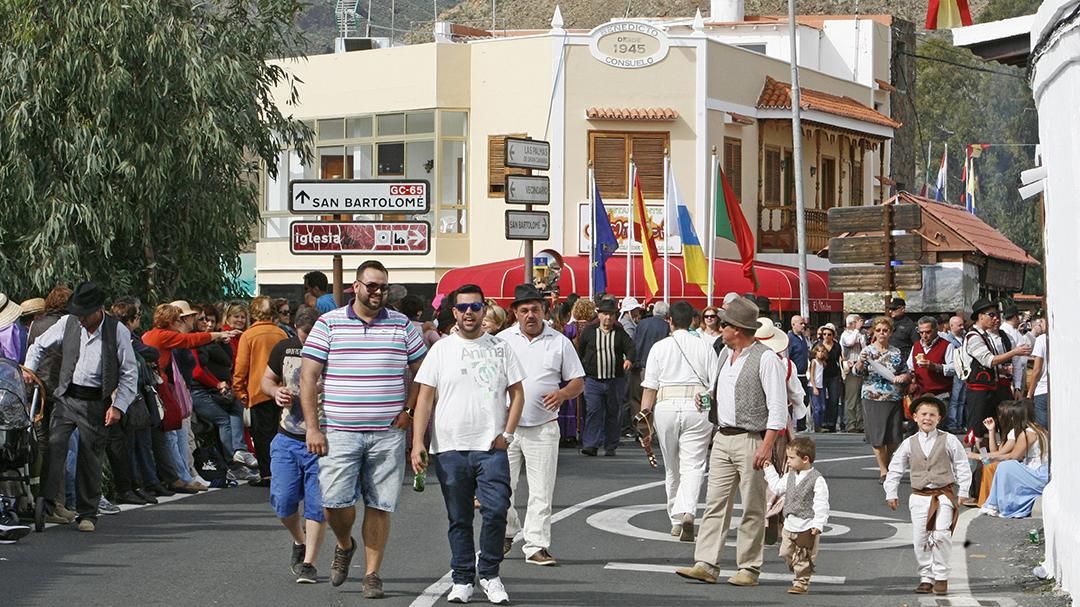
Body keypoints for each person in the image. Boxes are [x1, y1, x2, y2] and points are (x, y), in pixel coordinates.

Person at [300, 260, 427, 598]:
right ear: (355, 287)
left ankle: (372, 574)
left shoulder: (403, 326)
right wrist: (312, 427)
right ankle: (345, 544)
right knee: (334, 503)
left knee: (380, 504)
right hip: (339, 431)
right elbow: (308, 378)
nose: (377, 292)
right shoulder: (329, 324)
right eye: (371, 285)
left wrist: (409, 411)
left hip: (387, 432)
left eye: (383, 287)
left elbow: (423, 373)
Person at [410, 284, 525, 605]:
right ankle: (462, 578)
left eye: (475, 307)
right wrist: (418, 441)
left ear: (484, 308)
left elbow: (517, 393)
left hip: (492, 447)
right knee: (459, 517)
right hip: (449, 448)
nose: (469, 313)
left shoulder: (501, 348)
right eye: (463, 308)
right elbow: (425, 399)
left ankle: (489, 573)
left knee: (497, 510)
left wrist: (509, 433)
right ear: (454, 312)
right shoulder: (441, 350)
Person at [675, 296, 789, 587]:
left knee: (752, 506)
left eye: (724, 324)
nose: (718, 328)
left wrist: (766, 446)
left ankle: (749, 567)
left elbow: (777, 409)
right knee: (715, 503)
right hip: (723, 436)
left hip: (751, 438)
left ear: (737, 329)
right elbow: (718, 391)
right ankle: (706, 563)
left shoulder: (766, 359)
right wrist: (707, 400)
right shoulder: (725, 355)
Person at [23, 282, 139, 532]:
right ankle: (47, 502)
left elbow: (130, 372)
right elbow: (38, 345)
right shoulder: (68, 323)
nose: (81, 319)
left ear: (99, 310)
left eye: (85, 313)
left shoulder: (117, 331)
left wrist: (118, 406)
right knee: (55, 446)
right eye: (78, 313)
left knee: (90, 456)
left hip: (95, 401)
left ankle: (87, 513)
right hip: (66, 396)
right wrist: (30, 369)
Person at [497, 284, 585, 565]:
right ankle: (508, 529)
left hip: (544, 426)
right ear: (515, 313)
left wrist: (562, 394)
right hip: (506, 427)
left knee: (541, 490)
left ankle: (536, 545)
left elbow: (577, 382)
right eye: (524, 310)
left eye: (535, 309)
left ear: (544, 311)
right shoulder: (501, 341)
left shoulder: (559, 341)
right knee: (501, 488)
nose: (530, 315)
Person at [639, 301, 718, 542]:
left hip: (666, 406)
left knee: (672, 466)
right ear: (694, 321)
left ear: (669, 321)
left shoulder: (660, 347)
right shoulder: (705, 346)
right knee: (693, 465)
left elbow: (650, 388)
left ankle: (675, 517)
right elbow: (714, 384)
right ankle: (688, 511)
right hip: (697, 405)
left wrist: (644, 419)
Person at [260, 306, 326, 583]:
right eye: (304, 333)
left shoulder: (331, 349)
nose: (308, 338)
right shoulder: (284, 348)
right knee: (283, 500)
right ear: (295, 329)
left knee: (317, 504)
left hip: (323, 438)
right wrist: (276, 391)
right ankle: (299, 541)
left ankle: (309, 562)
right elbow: (266, 380)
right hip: (287, 436)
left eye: (313, 333)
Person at [884, 396, 972, 596]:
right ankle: (926, 576)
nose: (927, 418)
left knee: (941, 535)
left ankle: (941, 575)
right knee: (920, 538)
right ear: (915, 417)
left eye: (932, 415)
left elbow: (961, 465)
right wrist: (891, 491)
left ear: (939, 418)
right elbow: (895, 468)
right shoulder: (909, 443)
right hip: (919, 496)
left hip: (943, 496)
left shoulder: (948, 440)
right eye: (923, 414)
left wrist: (964, 490)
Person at [763, 437, 829, 595]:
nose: (789, 461)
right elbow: (777, 488)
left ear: (805, 459)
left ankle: (801, 581)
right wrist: (769, 469)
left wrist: (818, 524)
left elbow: (821, 503)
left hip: (807, 525)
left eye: (792, 458)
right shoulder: (789, 476)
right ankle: (800, 568)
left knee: (803, 555)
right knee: (785, 552)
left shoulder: (817, 480)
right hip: (789, 524)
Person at [233, 297, 288, 486]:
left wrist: (239, 391)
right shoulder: (281, 333)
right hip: (280, 390)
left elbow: (241, 366)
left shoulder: (248, 335)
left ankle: (267, 474)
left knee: (261, 436)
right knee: (278, 433)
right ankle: (281, 472)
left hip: (257, 391)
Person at [962, 299, 1030, 441]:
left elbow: (996, 364)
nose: (996, 318)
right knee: (978, 432)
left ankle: (999, 458)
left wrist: (1008, 377)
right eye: (991, 315)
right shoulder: (973, 337)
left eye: (997, 315)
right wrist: (1014, 352)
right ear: (980, 316)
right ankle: (978, 461)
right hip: (979, 392)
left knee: (1006, 424)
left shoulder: (992, 336)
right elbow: (989, 360)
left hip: (994, 389)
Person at [854, 316, 911, 482]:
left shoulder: (896, 352)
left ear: (891, 332)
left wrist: (903, 377)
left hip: (893, 396)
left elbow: (907, 372)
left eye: (885, 330)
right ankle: (883, 470)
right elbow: (857, 373)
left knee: (893, 438)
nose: (881, 334)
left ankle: (887, 463)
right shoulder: (867, 351)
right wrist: (859, 364)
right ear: (874, 332)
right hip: (872, 396)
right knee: (877, 436)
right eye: (878, 330)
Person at [577, 298, 635, 457]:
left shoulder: (619, 332)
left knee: (613, 412)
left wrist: (629, 359)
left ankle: (610, 445)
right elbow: (580, 350)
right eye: (605, 314)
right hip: (593, 379)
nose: (608, 318)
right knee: (593, 411)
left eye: (611, 315)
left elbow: (630, 347)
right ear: (599, 315)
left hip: (615, 379)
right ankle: (591, 444)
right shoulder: (589, 331)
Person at [980, 400, 1049, 518]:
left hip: (1037, 473)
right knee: (1002, 466)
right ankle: (995, 503)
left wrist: (982, 457)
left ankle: (1001, 504)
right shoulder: (1040, 430)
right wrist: (991, 431)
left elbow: (1013, 457)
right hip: (1042, 471)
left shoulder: (1026, 434)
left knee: (1004, 467)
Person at [627, 301, 670, 437]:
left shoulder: (642, 324)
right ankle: (653, 429)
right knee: (656, 400)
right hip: (659, 368)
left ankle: (640, 429)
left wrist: (633, 361)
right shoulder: (666, 327)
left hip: (640, 365)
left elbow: (634, 344)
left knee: (636, 399)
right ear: (666, 314)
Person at [908, 316, 953, 405]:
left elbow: (954, 368)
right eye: (921, 332)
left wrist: (935, 367)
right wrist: (911, 381)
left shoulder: (947, 345)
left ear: (936, 330)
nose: (924, 335)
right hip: (920, 394)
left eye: (928, 332)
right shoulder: (916, 346)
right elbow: (910, 367)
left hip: (940, 395)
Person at [942, 316, 968, 433]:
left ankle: (959, 423)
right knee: (955, 399)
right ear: (951, 326)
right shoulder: (948, 340)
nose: (962, 327)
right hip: (955, 373)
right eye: (959, 325)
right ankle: (952, 424)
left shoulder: (964, 338)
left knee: (962, 400)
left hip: (964, 372)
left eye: (963, 325)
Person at [815, 323, 843, 432]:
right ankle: (822, 422)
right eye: (824, 334)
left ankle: (832, 423)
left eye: (829, 334)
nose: (826, 336)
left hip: (834, 374)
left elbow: (840, 358)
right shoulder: (818, 345)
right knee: (821, 399)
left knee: (834, 399)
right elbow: (812, 357)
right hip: (821, 375)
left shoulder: (837, 346)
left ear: (833, 335)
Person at [840, 314, 865, 433]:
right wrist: (857, 330)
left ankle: (860, 423)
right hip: (850, 368)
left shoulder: (860, 334)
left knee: (861, 397)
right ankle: (850, 424)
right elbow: (850, 342)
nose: (859, 323)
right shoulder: (845, 335)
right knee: (851, 398)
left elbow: (864, 348)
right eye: (856, 322)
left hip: (861, 367)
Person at [787, 315, 812, 431]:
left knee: (804, 399)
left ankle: (801, 424)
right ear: (793, 324)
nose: (803, 326)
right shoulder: (790, 339)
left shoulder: (803, 338)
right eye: (801, 323)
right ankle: (791, 424)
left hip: (803, 374)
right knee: (793, 400)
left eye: (803, 324)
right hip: (794, 374)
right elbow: (788, 357)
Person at [999, 305, 1029, 398]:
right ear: (1015, 316)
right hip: (1011, 372)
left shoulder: (1014, 330)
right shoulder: (1005, 330)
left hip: (1020, 367)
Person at [1027, 321, 1049, 429]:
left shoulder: (1041, 339)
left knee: (1042, 430)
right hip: (1058, 390)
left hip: (1042, 389)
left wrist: (1029, 393)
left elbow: (1037, 369)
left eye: (1042, 321)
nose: (1040, 324)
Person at [887, 298, 920, 363]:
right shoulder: (888, 322)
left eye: (894, 309)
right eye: (889, 309)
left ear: (902, 309)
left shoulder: (910, 325)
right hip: (888, 358)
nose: (890, 311)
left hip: (903, 359)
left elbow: (917, 345)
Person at [807, 345, 827, 432]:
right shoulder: (814, 362)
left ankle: (820, 424)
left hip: (820, 386)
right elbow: (812, 375)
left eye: (822, 351)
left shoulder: (823, 363)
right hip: (813, 386)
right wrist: (814, 387)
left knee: (823, 407)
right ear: (815, 352)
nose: (821, 353)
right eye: (819, 351)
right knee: (817, 407)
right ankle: (817, 426)